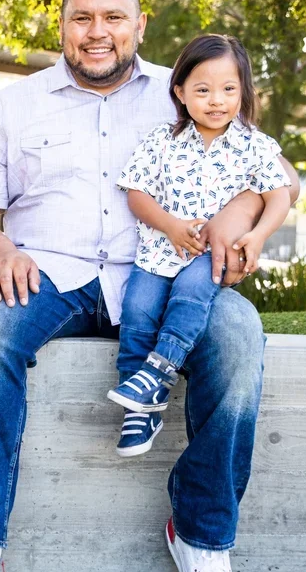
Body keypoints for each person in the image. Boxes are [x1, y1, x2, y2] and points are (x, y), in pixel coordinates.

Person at [0, 0, 299, 572]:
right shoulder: (15, 104)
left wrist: (238, 232)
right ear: (63, 23)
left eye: (113, 17)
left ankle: (203, 541)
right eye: (82, 17)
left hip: (168, 273)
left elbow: (275, 177)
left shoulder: (187, 90)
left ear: (139, 24)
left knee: (239, 332)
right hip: (49, 272)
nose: (96, 32)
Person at [109, 34, 292, 457]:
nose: (217, 101)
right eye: (203, 90)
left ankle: (159, 370)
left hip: (210, 256)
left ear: (244, 92)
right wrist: (171, 226)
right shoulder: (163, 140)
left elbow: (279, 194)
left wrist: (258, 234)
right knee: (137, 308)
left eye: (229, 89)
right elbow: (137, 193)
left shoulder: (255, 145)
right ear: (181, 92)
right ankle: (139, 403)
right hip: (159, 251)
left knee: (190, 296)